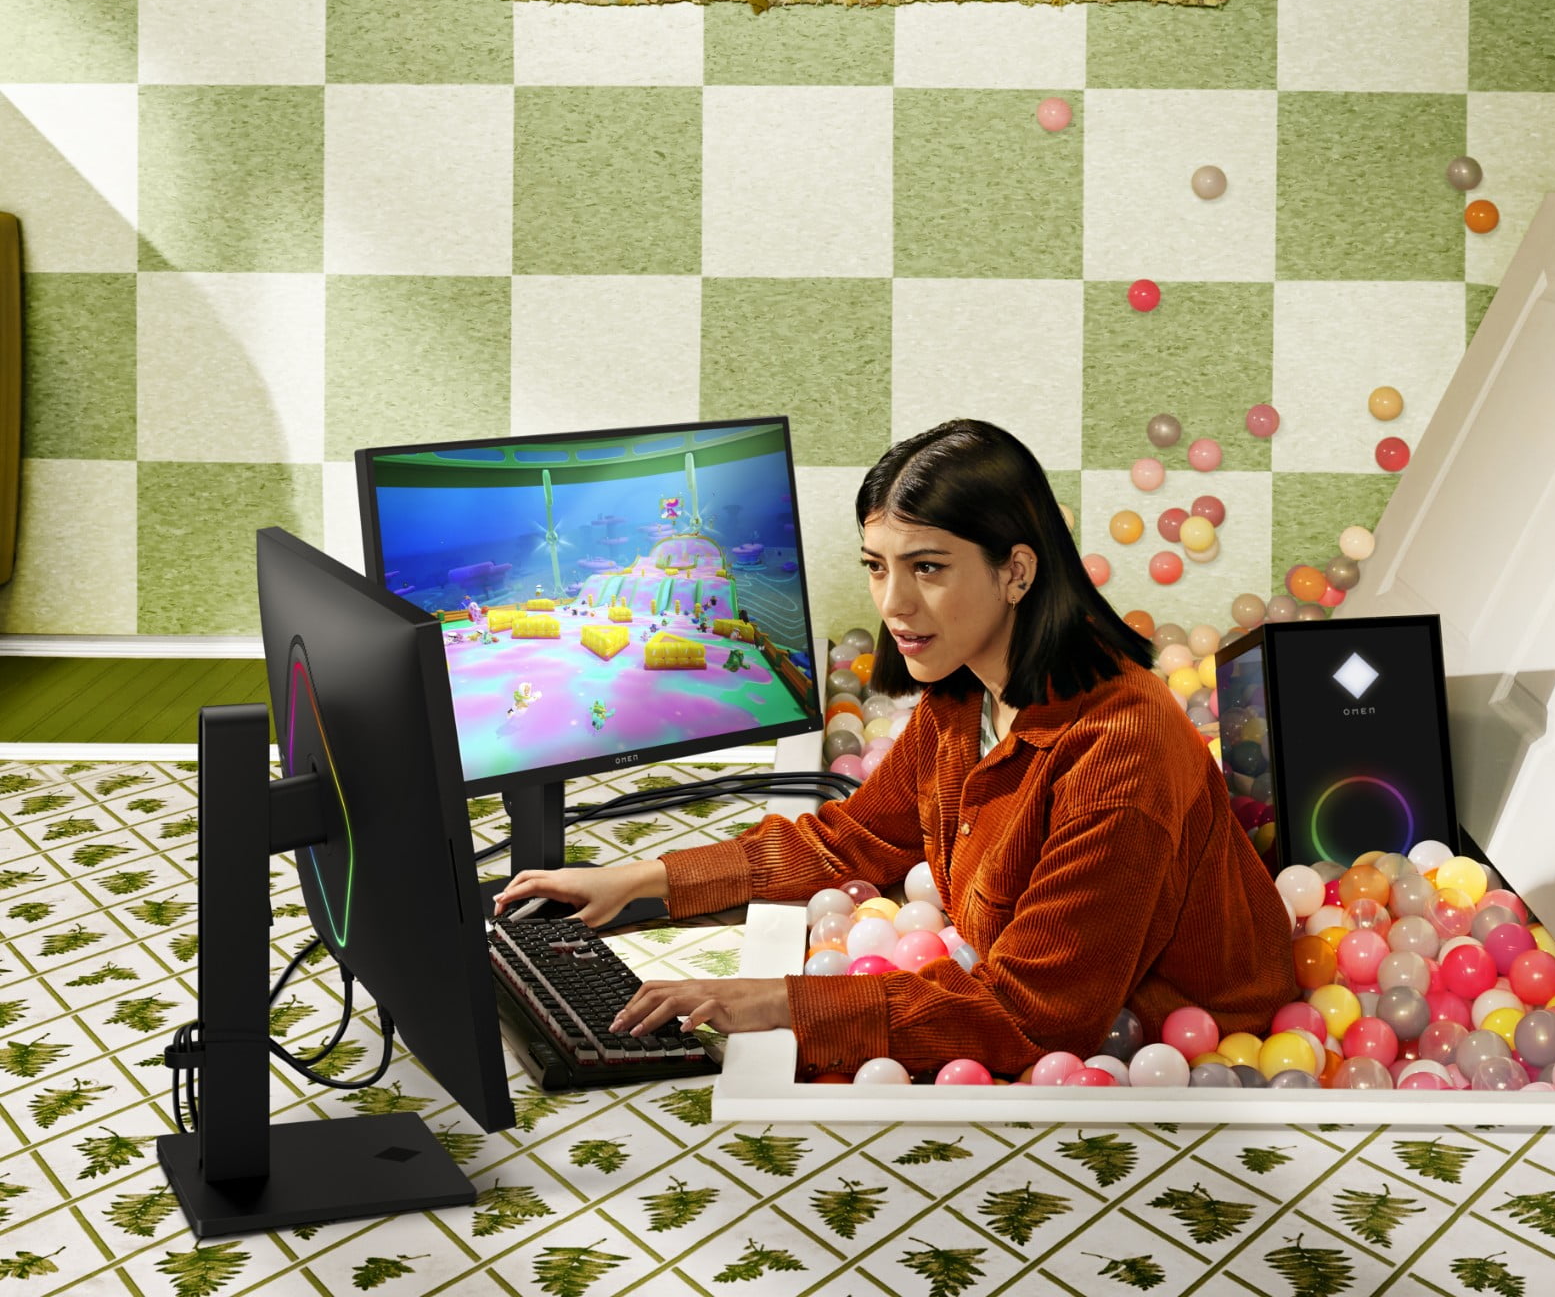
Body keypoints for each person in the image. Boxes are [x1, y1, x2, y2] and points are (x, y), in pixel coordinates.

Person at [495, 419, 1297, 1078]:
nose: (893, 604)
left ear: (1017, 571)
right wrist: (641, 879)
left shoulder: (1122, 753)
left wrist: (772, 1001)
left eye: (928, 568)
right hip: (1034, 992)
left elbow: (1030, 1017)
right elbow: (859, 836)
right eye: (877, 567)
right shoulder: (963, 687)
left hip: (1181, 1052)